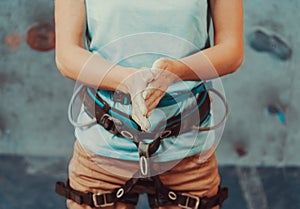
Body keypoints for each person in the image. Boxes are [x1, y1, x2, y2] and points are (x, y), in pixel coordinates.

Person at [54, 0, 244, 208]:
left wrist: (176, 71)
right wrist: (124, 79)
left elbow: (231, 50)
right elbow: (67, 55)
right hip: (102, 146)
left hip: (188, 149)